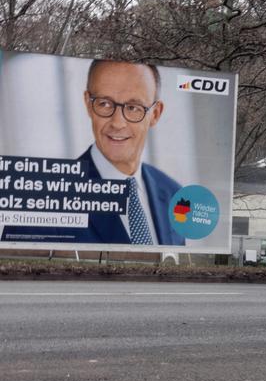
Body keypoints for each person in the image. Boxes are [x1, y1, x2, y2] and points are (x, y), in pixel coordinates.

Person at [2, 59, 184, 246]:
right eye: (105, 104)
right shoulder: (38, 205)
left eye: (133, 108)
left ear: (155, 114)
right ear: (88, 105)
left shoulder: (174, 195)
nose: (117, 123)